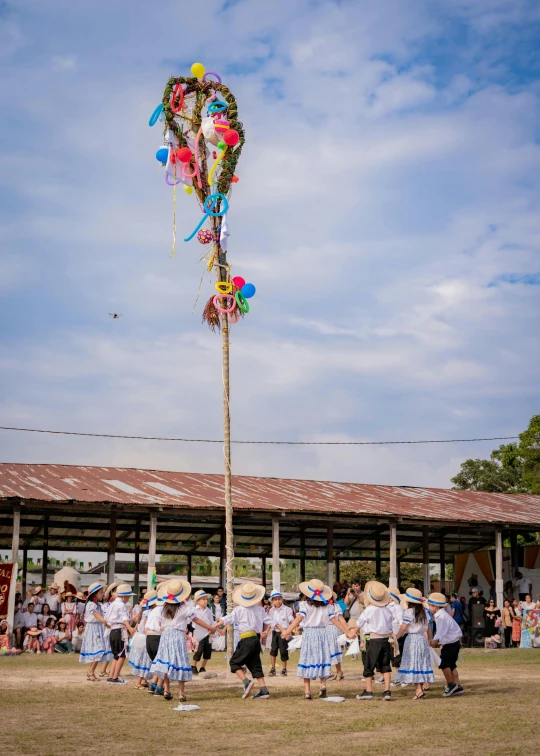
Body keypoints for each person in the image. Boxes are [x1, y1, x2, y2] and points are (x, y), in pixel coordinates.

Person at [281, 578, 355, 700]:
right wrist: (347, 632)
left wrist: (287, 631)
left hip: (310, 635)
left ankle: (307, 692)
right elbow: (335, 621)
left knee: (307, 660)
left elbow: (298, 619)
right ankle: (322, 685)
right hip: (323, 634)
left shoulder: (304, 605)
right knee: (323, 659)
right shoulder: (327, 607)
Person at [150, 579, 217, 702]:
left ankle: (166, 689)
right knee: (180, 662)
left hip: (166, 636)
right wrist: (210, 627)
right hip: (178, 636)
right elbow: (196, 620)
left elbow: (160, 623)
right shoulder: (184, 608)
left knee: (165, 662)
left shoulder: (163, 608)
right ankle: (181, 693)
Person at [218, 581, 274, 700]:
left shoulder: (239, 610)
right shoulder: (260, 610)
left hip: (246, 639)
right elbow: (271, 621)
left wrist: (215, 625)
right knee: (254, 664)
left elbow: (229, 618)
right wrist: (284, 630)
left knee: (234, 662)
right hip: (255, 639)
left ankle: (246, 682)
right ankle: (264, 689)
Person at [354, 581, 394, 701]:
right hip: (386, 640)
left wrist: (352, 633)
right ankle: (387, 691)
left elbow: (359, 623)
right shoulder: (388, 610)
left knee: (369, 664)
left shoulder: (369, 610)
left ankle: (369, 691)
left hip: (373, 640)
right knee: (385, 665)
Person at [395, 588, 435, 700]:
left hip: (412, 640)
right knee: (421, 663)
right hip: (422, 639)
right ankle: (420, 688)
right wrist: (430, 639)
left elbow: (403, 627)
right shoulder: (425, 612)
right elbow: (428, 628)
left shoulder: (408, 612)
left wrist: (395, 637)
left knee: (414, 664)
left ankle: (418, 690)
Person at [427, 592, 464, 697]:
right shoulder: (442, 615)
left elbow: (440, 633)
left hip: (450, 644)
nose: (429, 608)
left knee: (444, 665)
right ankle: (458, 686)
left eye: (430, 605)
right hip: (453, 643)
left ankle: (451, 685)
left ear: (435, 606)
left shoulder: (441, 617)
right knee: (452, 666)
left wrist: (433, 642)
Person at [79, 582, 110, 682]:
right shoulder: (91, 604)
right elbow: (96, 615)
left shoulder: (99, 605)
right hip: (92, 629)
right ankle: (91, 671)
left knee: (100, 650)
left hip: (99, 628)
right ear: (95, 594)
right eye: (101, 592)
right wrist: (104, 621)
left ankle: (91, 671)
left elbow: (102, 615)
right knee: (99, 650)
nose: (103, 594)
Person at [106, 583, 136, 684]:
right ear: (124, 596)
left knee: (116, 655)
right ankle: (115, 677)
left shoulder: (112, 604)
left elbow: (107, 619)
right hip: (120, 630)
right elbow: (124, 619)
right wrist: (130, 628)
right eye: (128, 596)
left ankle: (111, 676)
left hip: (112, 630)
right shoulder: (121, 605)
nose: (129, 598)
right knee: (122, 654)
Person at [129, 589, 158, 689]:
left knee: (144, 660)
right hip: (145, 638)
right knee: (145, 661)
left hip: (140, 638)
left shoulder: (144, 611)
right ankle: (138, 682)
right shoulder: (150, 612)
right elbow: (145, 626)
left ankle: (144, 680)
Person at [268, 591, 294, 677]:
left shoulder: (287, 609)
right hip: (275, 632)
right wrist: (266, 631)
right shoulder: (271, 610)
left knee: (283, 651)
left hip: (284, 632)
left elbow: (291, 621)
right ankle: (273, 669)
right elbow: (270, 622)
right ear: (272, 601)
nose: (277, 601)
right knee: (273, 651)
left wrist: (289, 632)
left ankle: (284, 669)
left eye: (279, 599)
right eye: (275, 599)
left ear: (282, 599)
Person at [97, 582, 119, 679]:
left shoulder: (114, 604)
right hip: (109, 628)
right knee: (109, 649)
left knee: (112, 650)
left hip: (113, 628)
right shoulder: (108, 605)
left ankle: (111, 670)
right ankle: (104, 670)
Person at [191, 590, 216, 675]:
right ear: (197, 601)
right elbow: (196, 622)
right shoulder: (194, 610)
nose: (205, 601)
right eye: (203, 599)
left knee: (208, 650)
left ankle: (203, 667)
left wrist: (212, 629)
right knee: (199, 650)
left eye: (206, 599)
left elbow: (211, 621)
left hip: (208, 633)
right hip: (199, 632)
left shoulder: (208, 610)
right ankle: (193, 666)